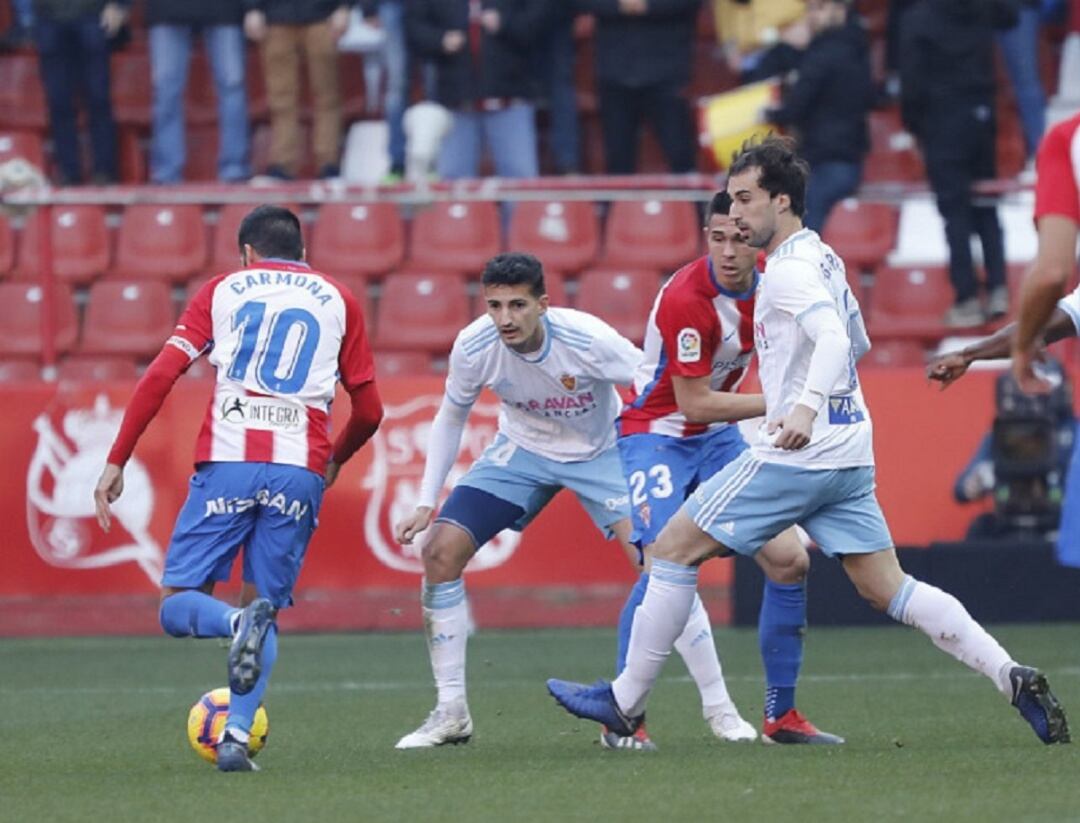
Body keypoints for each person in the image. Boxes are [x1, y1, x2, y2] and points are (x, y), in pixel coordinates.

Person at [547, 135, 1070, 747]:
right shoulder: (821, 256)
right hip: (851, 450)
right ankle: (1008, 674)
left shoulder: (789, 271)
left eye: (745, 200)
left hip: (801, 453)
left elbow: (832, 340)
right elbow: (859, 341)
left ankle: (624, 701)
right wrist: (819, 394)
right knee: (888, 587)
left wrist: (804, 405)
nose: (734, 214)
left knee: (670, 551)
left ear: (782, 201)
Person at [392, 251, 755, 749]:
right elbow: (452, 416)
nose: (504, 319)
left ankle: (719, 709)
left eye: (517, 305)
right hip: (522, 450)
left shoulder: (587, 339)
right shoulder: (475, 346)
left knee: (664, 564)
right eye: (494, 305)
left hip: (603, 451)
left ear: (543, 304)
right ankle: (450, 712)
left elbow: (652, 385)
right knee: (438, 551)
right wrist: (426, 500)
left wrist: (662, 455)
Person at [93, 205, 384, 771]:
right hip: (300, 469)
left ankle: (232, 625)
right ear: (303, 252)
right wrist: (335, 460)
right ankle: (235, 740)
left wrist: (117, 457)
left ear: (247, 252)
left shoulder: (222, 288)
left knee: (177, 606)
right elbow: (370, 410)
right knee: (264, 606)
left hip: (229, 461)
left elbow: (160, 376)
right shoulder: (339, 299)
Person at [610, 189, 842, 747]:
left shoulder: (776, 280)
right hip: (659, 434)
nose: (730, 251)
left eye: (740, 237)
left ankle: (781, 718)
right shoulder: (687, 298)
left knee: (789, 560)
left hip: (721, 439)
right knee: (663, 565)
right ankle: (623, 719)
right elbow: (694, 404)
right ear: (705, 238)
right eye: (718, 238)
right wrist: (783, 404)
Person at [929, 108, 1080, 567]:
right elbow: (1060, 317)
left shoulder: (1068, 140)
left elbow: (1052, 274)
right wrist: (973, 352)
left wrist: (1018, 353)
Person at [900, 0, 1015, 328]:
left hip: (942, 123)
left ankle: (966, 299)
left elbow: (912, 81)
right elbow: (1011, 15)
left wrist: (914, 127)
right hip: (981, 117)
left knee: (955, 213)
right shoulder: (981, 8)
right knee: (987, 207)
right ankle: (998, 288)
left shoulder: (918, 19)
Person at [761, 0, 874, 233]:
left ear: (840, 9)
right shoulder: (859, 48)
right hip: (848, 161)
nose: (812, 16)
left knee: (802, 233)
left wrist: (768, 114)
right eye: (810, 8)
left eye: (819, 8)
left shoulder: (822, 55)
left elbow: (796, 107)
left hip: (824, 162)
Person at [406, 0, 547, 181]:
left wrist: (505, 24)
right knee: (454, 188)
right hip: (457, 103)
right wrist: (440, 40)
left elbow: (540, 20)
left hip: (510, 99)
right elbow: (414, 26)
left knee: (521, 186)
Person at [577, 0, 700, 175]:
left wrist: (646, 5)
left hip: (666, 69)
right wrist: (621, 5)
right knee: (618, 158)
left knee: (679, 152)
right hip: (614, 72)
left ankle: (694, 201)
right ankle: (617, 202)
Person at [244, 0, 352, 179]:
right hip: (275, 18)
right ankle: (282, 164)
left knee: (327, 95)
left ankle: (329, 163)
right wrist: (252, 8)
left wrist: (344, 6)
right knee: (281, 99)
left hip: (322, 17)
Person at [147, 0, 250, 184]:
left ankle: (234, 169)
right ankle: (167, 173)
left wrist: (251, 7)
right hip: (168, 10)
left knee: (232, 88)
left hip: (223, 10)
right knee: (166, 92)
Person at [32, 0, 129, 185]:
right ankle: (68, 172)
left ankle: (104, 171)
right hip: (49, 17)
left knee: (98, 99)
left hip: (93, 15)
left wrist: (119, 4)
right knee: (58, 100)